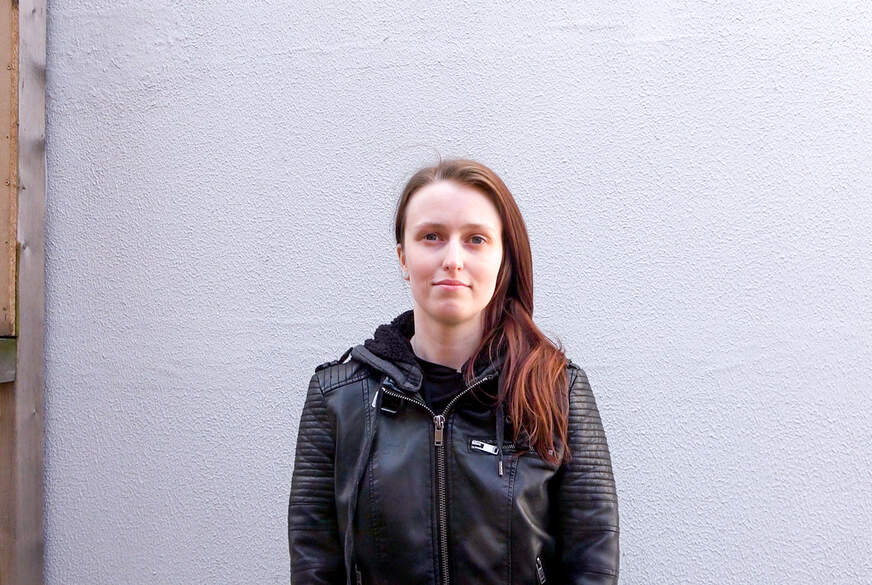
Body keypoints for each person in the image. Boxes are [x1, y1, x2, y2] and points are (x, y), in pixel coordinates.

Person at [288, 157, 620, 585]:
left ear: (503, 259)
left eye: (476, 239)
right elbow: (314, 564)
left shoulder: (557, 389)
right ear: (403, 257)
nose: (453, 259)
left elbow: (592, 559)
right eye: (432, 236)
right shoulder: (339, 397)